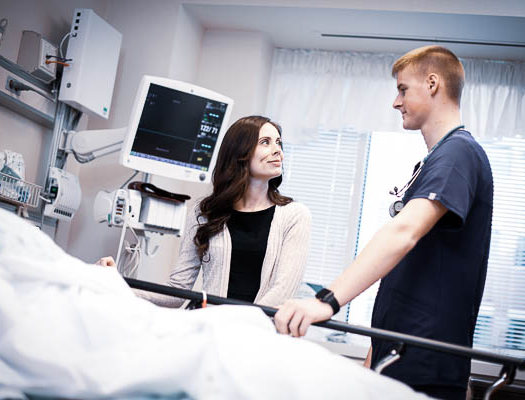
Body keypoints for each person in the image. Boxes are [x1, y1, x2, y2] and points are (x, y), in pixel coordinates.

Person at [274, 45, 493, 400]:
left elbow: (403, 233)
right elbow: (411, 266)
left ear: (433, 83)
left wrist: (326, 301)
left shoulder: (458, 153)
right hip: (400, 351)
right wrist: (375, 352)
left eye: (403, 89)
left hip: (423, 356)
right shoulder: (440, 158)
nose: (396, 101)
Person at [99, 115, 311, 308]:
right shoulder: (206, 213)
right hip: (209, 329)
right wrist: (117, 283)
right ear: (240, 153)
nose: (278, 150)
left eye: (279, 143)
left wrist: (236, 326)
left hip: (257, 337)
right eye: (265, 142)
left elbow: (282, 292)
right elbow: (177, 291)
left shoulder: (294, 216)